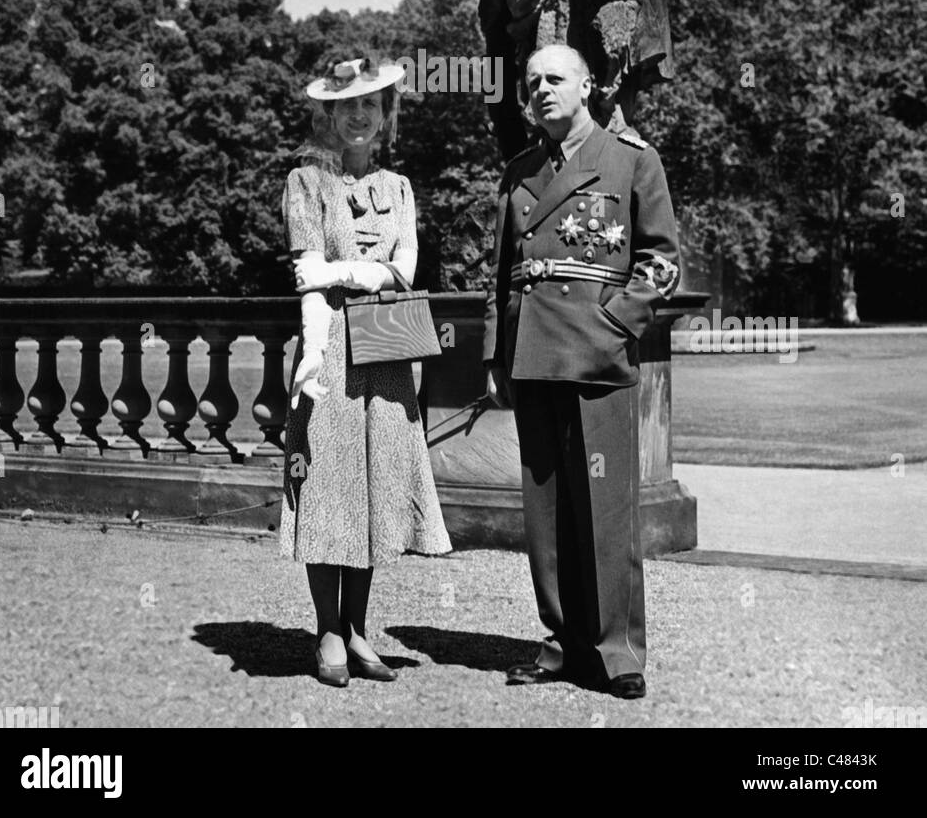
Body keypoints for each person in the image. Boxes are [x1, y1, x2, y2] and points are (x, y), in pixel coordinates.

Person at [483, 44, 680, 697]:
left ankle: (618, 652)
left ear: (588, 85)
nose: (541, 88)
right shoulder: (520, 171)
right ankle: (562, 640)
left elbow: (661, 261)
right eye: (532, 80)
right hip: (534, 354)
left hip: (596, 356)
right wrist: (496, 353)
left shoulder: (629, 161)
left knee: (606, 512)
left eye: (556, 78)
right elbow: (500, 277)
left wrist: (616, 324)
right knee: (545, 515)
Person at [281, 56, 451, 687]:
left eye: (371, 105)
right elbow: (307, 281)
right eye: (346, 105)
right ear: (328, 115)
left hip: (386, 348)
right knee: (328, 488)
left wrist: (339, 271)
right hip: (330, 345)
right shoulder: (305, 182)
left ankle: (358, 629)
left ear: (385, 117)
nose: (359, 115)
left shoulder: (400, 188)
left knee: (375, 488)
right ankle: (327, 630)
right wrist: (313, 358)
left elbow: (403, 271)